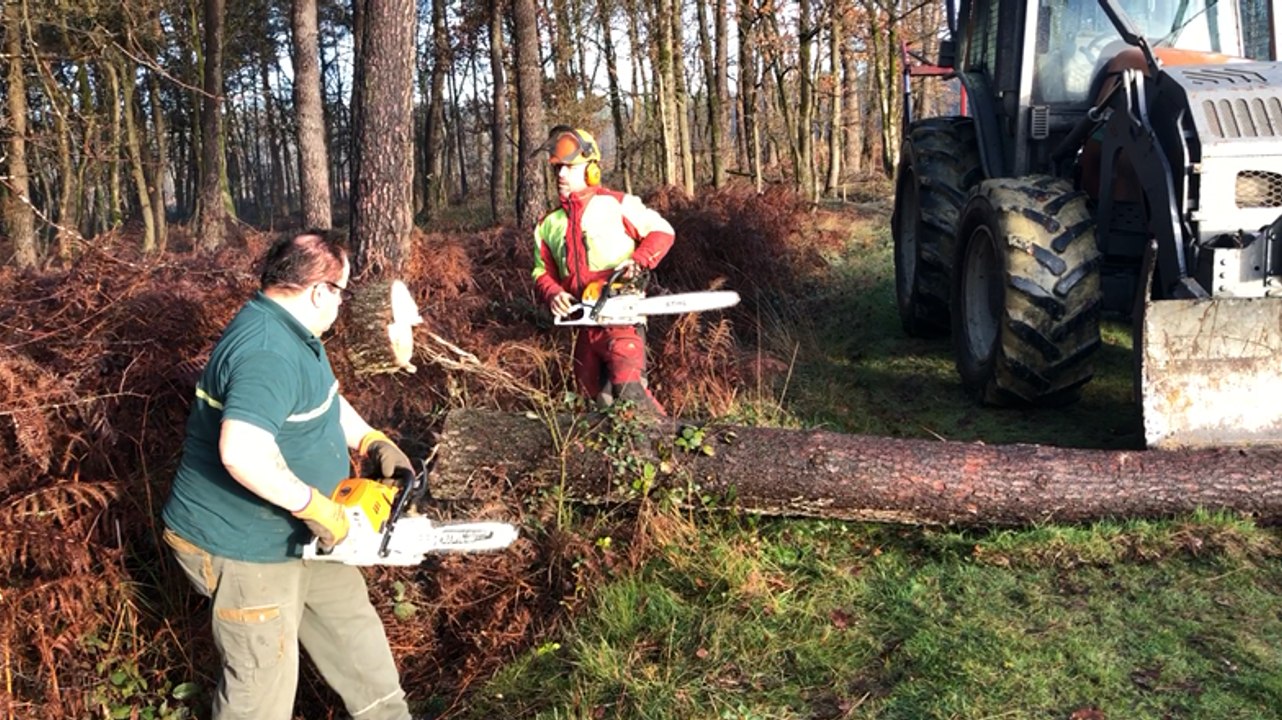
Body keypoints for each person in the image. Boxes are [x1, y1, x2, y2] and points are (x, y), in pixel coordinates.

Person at [161, 230, 417, 720]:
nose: (342, 306)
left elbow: (322, 401)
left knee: (357, 641)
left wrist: (370, 440)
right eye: (342, 292)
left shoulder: (296, 332)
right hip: (245, 548)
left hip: (303, 533)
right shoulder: (266, 351)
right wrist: (319, 509)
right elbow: (241, 453)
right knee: (261, 691)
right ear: (320, 291)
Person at [532, 125, 676, 415]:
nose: (560, 175)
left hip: (622, 320)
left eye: (569, 168)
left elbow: (663, 232)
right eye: (558, 168)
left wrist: (638, 261)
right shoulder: (548, 223)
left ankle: (667, 449)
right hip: (585, 327)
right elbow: (540, 271)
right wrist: (553, 293)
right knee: (591, 403)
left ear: (590, 170)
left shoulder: (618, 205)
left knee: (631, 395)